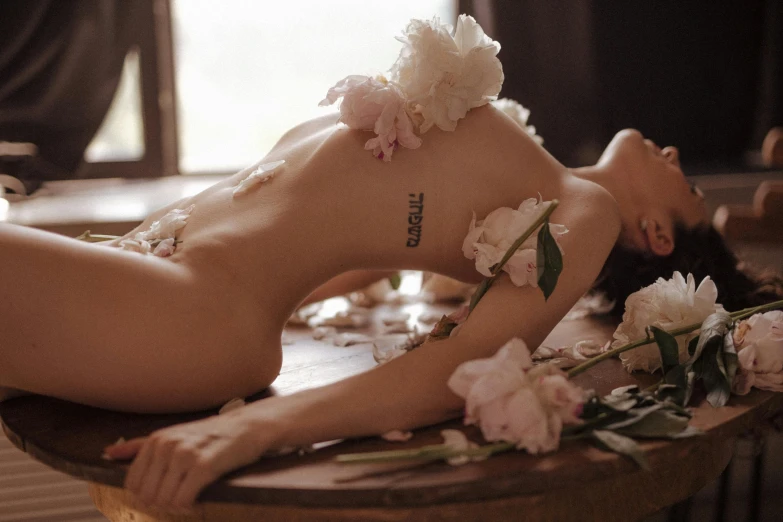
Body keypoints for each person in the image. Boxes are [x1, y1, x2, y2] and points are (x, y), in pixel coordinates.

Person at [1, 15, 780, 512]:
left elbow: (458, 364)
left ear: (656, 235)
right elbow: (351, 237)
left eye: (680, 181)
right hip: (155, 270)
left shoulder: (584, 211)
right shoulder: (521, 174)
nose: (674, 155)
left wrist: (251, 432)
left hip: (194, 310)